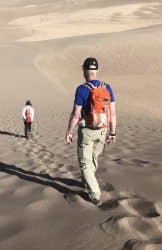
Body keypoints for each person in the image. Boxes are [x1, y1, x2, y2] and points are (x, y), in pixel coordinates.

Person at [65, 57, 116, 206]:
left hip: (87, 130)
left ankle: (95, 194)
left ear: (84, 71)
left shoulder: (81, 89)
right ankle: (87, 180)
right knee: (93, 158)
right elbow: (112, 113)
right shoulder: (107, 88)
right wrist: (112, 133)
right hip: (103, 130)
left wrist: (69, 131)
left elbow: (76, 114)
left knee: (85, 163)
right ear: (96, 71)